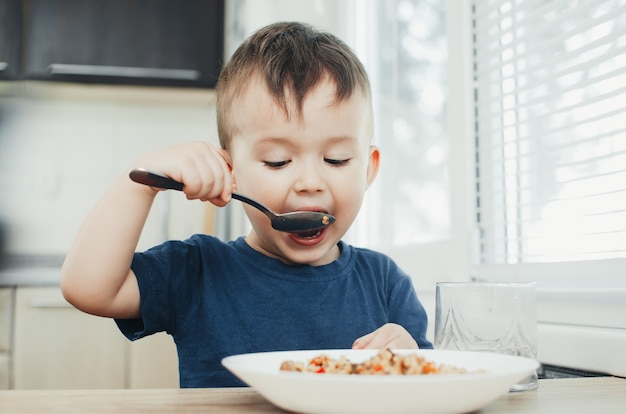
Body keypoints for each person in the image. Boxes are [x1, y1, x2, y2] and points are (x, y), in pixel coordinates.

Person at [60, 21, 432, 388]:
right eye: (277, 162)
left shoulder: (385, 285)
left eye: (335, 159)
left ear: (369, 169)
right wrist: (139, 185)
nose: (309, 184)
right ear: (230, 170)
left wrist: (410, 359)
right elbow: (88, 288)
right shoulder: (199, 271)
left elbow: (428, 386)